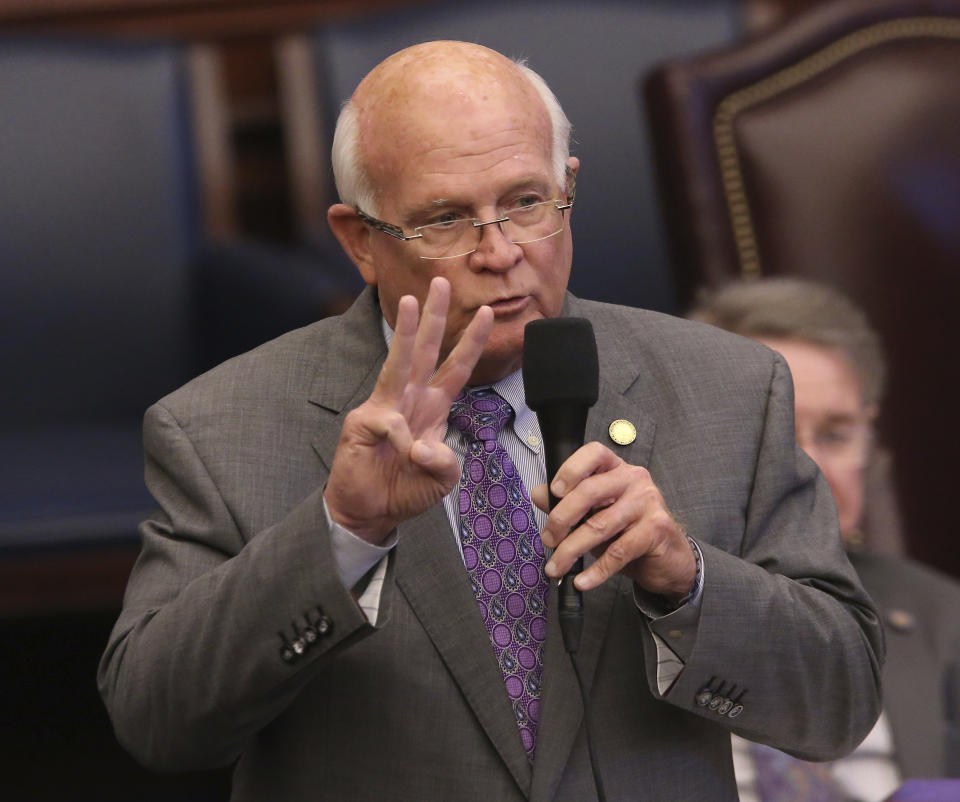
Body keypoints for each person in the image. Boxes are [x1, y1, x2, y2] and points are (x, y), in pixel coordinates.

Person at [98, 42, 883, 801]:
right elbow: (159, 726)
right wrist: (340, 533)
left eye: (526, 202)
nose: (500, 251)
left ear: (566, 185)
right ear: (361, 241)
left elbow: (840, 701)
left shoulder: (728, 389)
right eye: (445, 219)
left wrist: (687, 581)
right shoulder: (220, 428)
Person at [693, 277, 960, 801]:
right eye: (772, 433)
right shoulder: (622, 622)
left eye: (835, 435)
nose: (808, 470)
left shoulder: (942, 617)